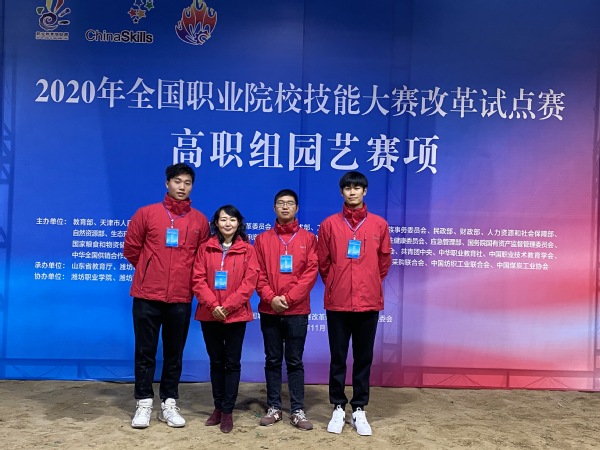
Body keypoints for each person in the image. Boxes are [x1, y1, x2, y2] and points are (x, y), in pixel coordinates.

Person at [124, 163, 210, 429]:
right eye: (177, 181)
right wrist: (151, 271)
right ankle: (143, 403)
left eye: (187, 183)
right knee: (145, 351)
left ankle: (169, 403)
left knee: (174, 353)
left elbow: (202, 260)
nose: (182, 187)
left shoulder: (199, 221)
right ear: (167, 183)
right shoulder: (146, 214)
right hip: (146, 295)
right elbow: (131, 249)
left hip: (181, 298)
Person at [316, 171, 392, 436]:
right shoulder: (329, 224)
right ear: (341, 192)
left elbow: (384, 262)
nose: (352, 192)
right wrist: (337, 283)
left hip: (368, 302)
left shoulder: (379, 224)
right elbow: (323, 262)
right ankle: (338, 406)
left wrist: (368, 281)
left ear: (364, 191)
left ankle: (359, 408)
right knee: (337, 358)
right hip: (337, 303)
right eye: (347, 188)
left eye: (357, 188)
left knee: (363, 358)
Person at [254, 189, 318, 430]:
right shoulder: (262, 239)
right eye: (280, 203)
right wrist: (270, 298)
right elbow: (257, 273)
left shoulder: (309, 239)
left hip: (297, 311)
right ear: (274, 208)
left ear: (297, 208)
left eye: (289, 203)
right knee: (272, 360)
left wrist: (289, 299)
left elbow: (311, 273)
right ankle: (274, 407)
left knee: (294, 360)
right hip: (269, 310)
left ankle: (297, 409)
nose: (285, 207)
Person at [192, 205, 259, 433]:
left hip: (236, 315)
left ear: (239, 223)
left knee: (232, 363)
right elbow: (198, 279)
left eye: (232, 219)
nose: (227, 223)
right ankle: (218, 407)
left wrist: (228, 307)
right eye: (223, 219)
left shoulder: (248, 250)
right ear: (216, 223)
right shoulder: (205, 248)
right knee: (216, 362)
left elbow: (249, 283)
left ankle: (228, 411)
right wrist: (213, 305)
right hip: (209, 314)